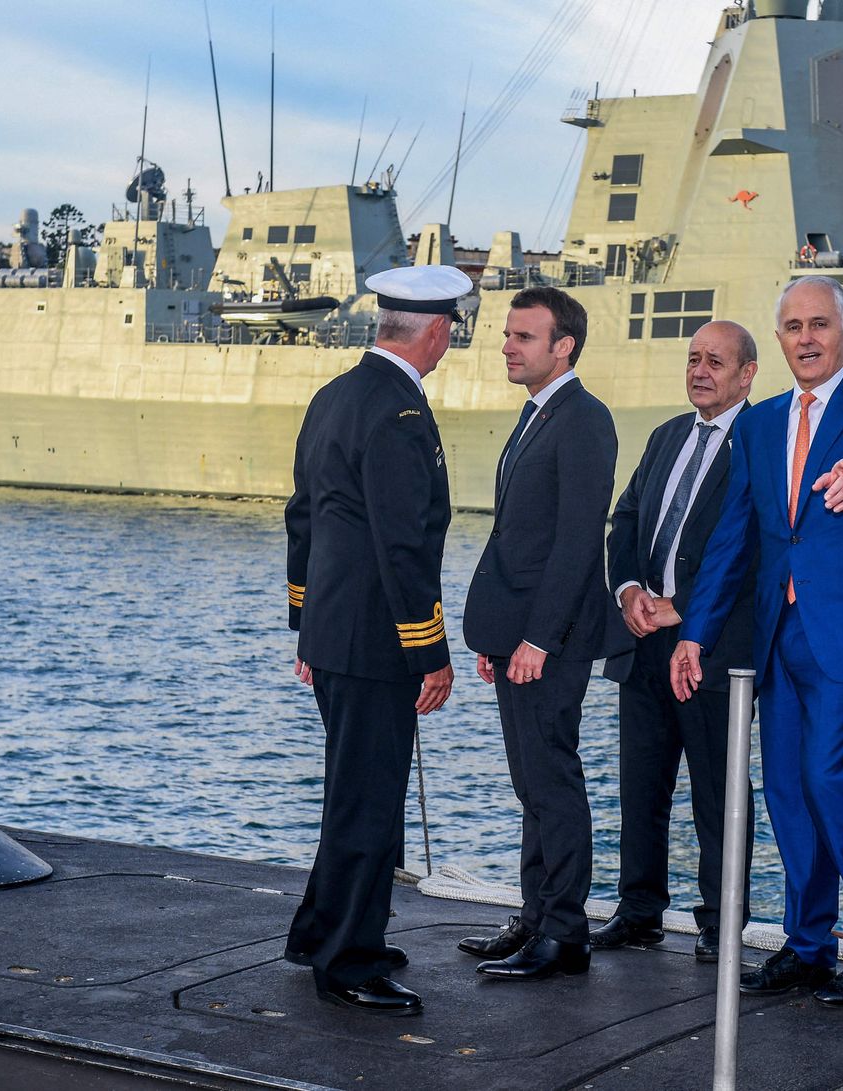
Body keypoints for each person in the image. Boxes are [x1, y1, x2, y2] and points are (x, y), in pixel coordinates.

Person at [671, 275, 843, 1007]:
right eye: (792, 326)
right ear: (777, 339)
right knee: (785, 791)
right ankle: (809, 943)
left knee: (830, 779)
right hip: (778, 634)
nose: (806, 337)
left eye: (820, 324)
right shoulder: (759, 422)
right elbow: (733, 537)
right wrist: (697, 633)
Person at [283, 263, 472, 1017]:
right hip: (376, 643)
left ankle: (321, 931)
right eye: (450, 330)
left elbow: (303, 517)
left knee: (350, 793)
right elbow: (403, 545)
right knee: (369, 802)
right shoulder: (398, 413)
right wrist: (429, 651)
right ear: (435, 331)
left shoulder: (334, 395)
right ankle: (350, 961)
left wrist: (307, 624)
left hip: (337, 635)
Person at [459, 286, 631, 981]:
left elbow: (574, 543)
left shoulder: (584, 419)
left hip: (549, 642)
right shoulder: (539, 414)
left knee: (553, 780)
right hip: (518, 638)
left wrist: (535, 638)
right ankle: (535, 916)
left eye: (523, 336)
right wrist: (500, 635)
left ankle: (564, 933)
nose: (507, 345)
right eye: (508, 334)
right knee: (531, 782)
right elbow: (519, 536)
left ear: (563, 346)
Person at [595, 320, 759, 963]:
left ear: (747, 373)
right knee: (641, 788)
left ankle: (723, 924)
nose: (700, 371)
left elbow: (762, 551)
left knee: (719, 795)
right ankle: (638, 914)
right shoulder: (667, 436)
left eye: (716, 361)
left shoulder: (762, 441)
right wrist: (630, 591)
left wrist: (682, 610)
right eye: (693, 359)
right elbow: (626, 520)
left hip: (713, 650)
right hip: (642, 646)